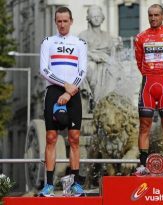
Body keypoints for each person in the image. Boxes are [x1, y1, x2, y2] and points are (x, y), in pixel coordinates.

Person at [39, 7, 87, 197]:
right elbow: (44, 69)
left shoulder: (80, 43)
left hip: (73, 93)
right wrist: (63, 85)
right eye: (59, 21)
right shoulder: (48, 42)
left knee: (74, 138)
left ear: (71, 21)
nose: (62, 24)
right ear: (55, 22)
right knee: (51, 138)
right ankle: (49, 184)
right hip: (53, 91)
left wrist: (69, 91)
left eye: (65, 21)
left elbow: (82, 70)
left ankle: (75, 184)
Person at [134, 4, 163, 176]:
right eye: (150, 15)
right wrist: (151, 73)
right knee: (144, 126)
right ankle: (142, 165)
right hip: (147, 84)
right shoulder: (141, 37)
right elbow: (139, 62)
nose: (153, 18)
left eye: (156, 15)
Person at [79, 5, 119, 103]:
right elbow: (80, 51)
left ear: (102, 18)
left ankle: (104, 100)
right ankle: (95, 99)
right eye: (93, 16)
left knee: (113, 70)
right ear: (89, 19)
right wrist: (92, 56)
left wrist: (113, 60)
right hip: (90, 60)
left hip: (105, 61)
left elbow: (113, 52)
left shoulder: (107, 35)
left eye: (98, 16)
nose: (96, 19)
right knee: (91, 68)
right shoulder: (83, 35)